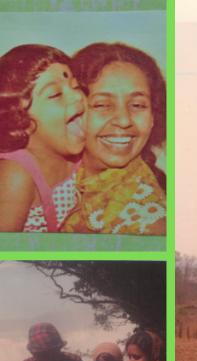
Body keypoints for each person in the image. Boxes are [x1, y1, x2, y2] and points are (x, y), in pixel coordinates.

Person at [61, 42, 166, 235]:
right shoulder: (46, 175)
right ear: (74, 113)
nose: (124, 120)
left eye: (137, 105)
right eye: (102, 105)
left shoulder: (150, 224)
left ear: (153, 118)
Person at [0, 44, 84, 232]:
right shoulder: (15, 175)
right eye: (55, 94)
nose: (76, 96)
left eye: (76, 86)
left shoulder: (81, 152)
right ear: (19, 118)